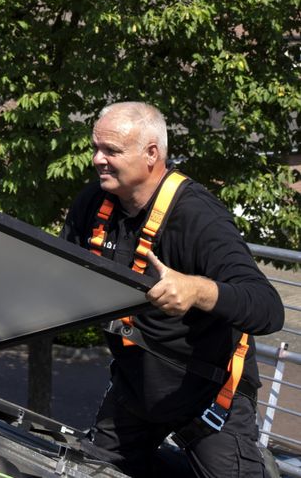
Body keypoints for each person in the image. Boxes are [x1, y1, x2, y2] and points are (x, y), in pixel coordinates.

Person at [61, 102, 283, 477]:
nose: (97, 159)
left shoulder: (197, 217)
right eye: (96, 148)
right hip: (135, 387)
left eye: (111, 151)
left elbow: (268, 308)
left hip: (209, 399)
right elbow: (55, 276)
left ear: (152, 154)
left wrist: (198, 290)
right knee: (89, 471)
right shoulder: (94, 203)